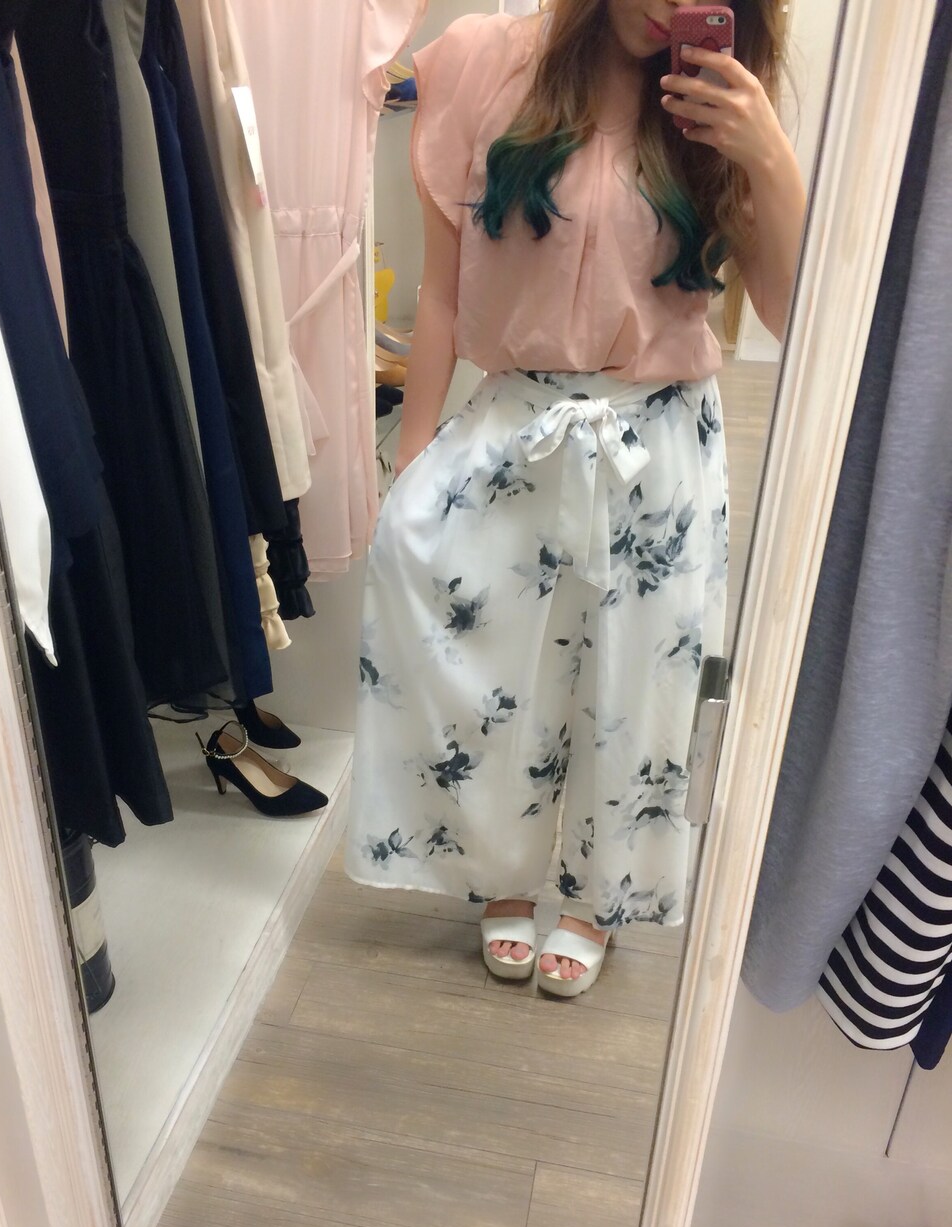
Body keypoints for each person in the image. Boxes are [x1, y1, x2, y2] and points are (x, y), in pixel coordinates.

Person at [345, 0, 805, 996]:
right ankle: (504, 872)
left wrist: (765, 154)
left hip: (660, 446)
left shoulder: (722, 101)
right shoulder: (483, 63)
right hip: (519, 423)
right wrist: (411, 458)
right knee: (499, 665)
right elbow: (443, 291)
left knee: (634, 685)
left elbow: (791, 309)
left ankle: (600, 893)